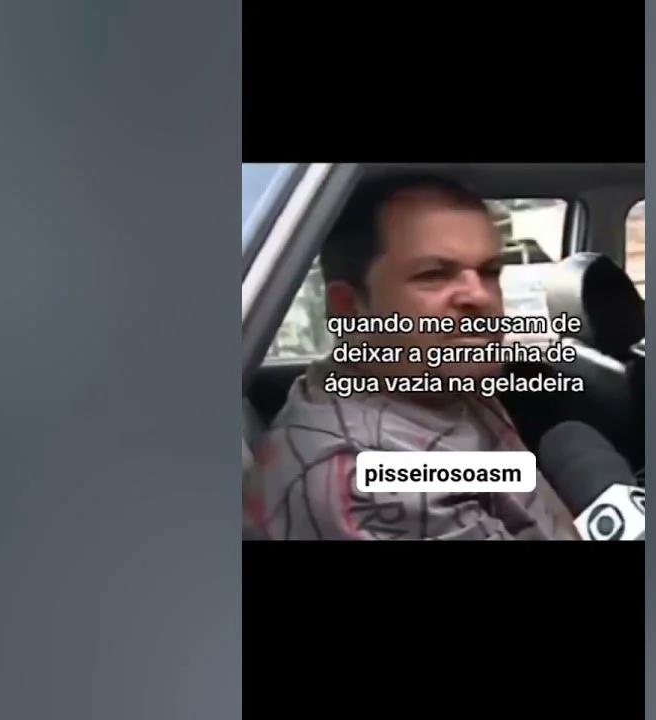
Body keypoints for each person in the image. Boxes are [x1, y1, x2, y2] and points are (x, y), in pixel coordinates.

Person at [243, 173, 580, 540]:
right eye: (433, 275)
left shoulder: (436, 381)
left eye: (489, 271)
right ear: (348, 307)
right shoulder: (372, 485)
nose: (480, 296)